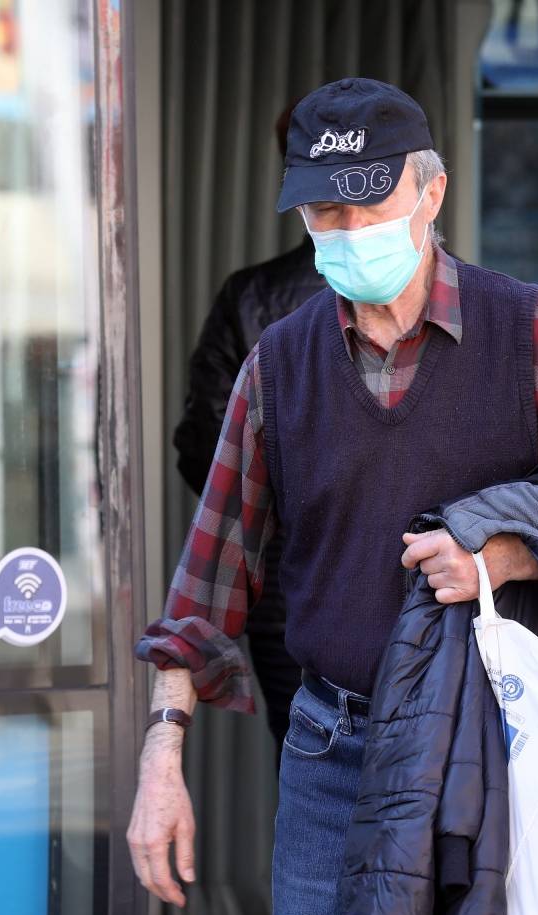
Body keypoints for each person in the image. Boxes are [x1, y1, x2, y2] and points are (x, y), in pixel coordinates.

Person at [129, 79, 538, 915]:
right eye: (324, 210)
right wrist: (163, 759)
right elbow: (208, 578)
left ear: (431, 193)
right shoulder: (278, 365)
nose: (346, 228)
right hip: (336, 752)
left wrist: (507, 555)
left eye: (368, 203)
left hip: (510, 754)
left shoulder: (536, 338)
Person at [173, 105, 324, 752]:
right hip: (429, 589)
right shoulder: (467, 297)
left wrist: (277, 513)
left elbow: (201, 449)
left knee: (310, 764)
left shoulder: (254, 298)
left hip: (288, 591)